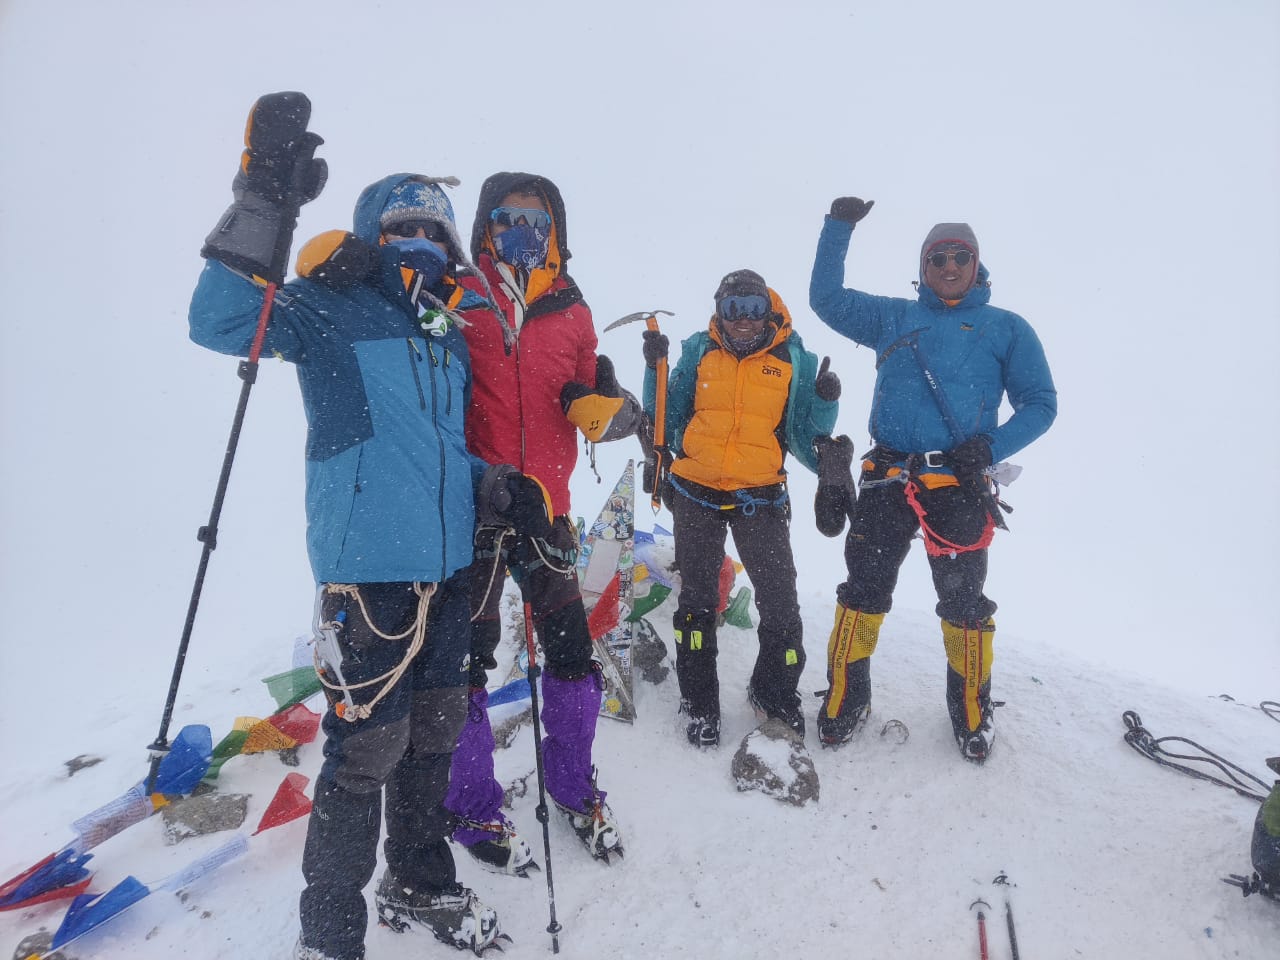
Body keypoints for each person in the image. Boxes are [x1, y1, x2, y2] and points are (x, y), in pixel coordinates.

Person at [189, 93, 550, 960]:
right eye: (402, 230)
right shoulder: (331, 308)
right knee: (367, 754)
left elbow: (439, 455)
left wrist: (502, 486)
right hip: (370, 576)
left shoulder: (447, 338)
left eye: (435, 231)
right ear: (373, 237)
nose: (420, 243)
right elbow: (218, 322)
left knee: (432, 738)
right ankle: (329, 936)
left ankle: (419, 883)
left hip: (449, 569)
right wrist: (266, 197)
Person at [808, 196, 1058, 762]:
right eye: (938, 256)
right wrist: (838, 228)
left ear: (976, 265)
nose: (948, 265)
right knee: (863, 593)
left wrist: (989, 448)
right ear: (923, 266)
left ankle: (970, 709)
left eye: (959, 256)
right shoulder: (893, 317)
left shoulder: (1006, 328)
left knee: (964, 602)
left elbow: (1041, 404)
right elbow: (825, 299)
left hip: (958, 486)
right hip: (885, 478)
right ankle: (847, 698)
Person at [443, 172, 641, 868]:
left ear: (555, 229)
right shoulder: (460, 295)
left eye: (534, 219)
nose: (519, 232)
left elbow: (581, 406)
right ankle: (471, 809)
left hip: (548, 512)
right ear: (484, 227)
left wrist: (609, 409)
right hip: (471, 512)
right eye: (505, 219)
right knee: (464, 663)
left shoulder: (574, 310)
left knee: (568, 653)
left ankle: (570, 785)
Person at [642, 269, 840, 747]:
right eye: (733, 309)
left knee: (781, 607)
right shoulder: (698, 350)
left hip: (761, 495)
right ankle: (699, 703)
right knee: (696, 604)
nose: (743, 320)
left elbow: (807, 439)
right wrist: (656, 369)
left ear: (767, 311)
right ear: (719, 312)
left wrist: (826, 403)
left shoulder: (792, 358)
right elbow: (664, 418)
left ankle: (773, 695)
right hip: (695, 491)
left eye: (753, 308)